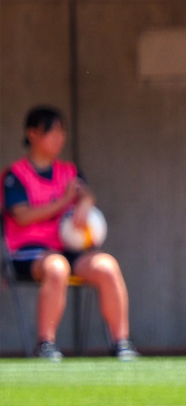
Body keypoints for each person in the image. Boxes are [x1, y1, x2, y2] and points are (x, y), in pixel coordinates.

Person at [3, 106, 138, 361]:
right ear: (32, 134)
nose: (59, 138)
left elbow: (84, 193)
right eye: (51, 132)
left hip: (69, 249)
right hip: (28, 252)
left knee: (107, 266)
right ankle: (46, 344)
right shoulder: (16, 175)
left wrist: (86, 201)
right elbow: (22, 215)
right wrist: (63, 200)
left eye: (61, 132)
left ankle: (121, 343)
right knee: (57, 268)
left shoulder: (69, 171)